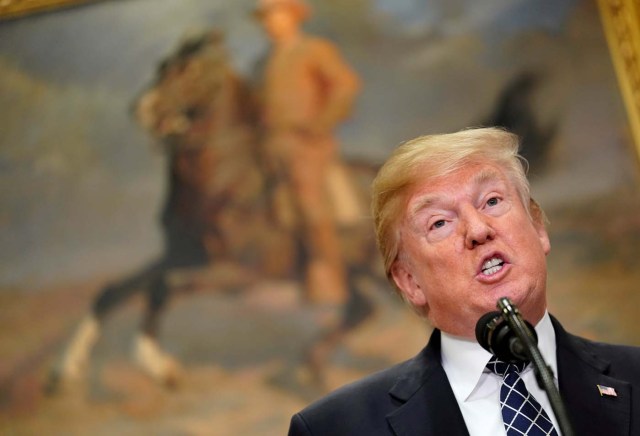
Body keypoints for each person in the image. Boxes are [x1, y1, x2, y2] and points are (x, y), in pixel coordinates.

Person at [287, 127, 640, 435]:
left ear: (538, 228)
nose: (478, 229)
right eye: (439, 222)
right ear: (410, 281)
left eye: (491, 200)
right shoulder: (334, 429)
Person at [254, 0, 361, 306]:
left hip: (306, 144)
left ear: (293, 17)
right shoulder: (265, 61)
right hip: (270, 143)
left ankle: (329, 282)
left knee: (310, 204)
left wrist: (320, 122)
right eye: (265, 17)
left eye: (275, 15)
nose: (269, 22)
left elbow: (345, 85)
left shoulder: (314, 49)